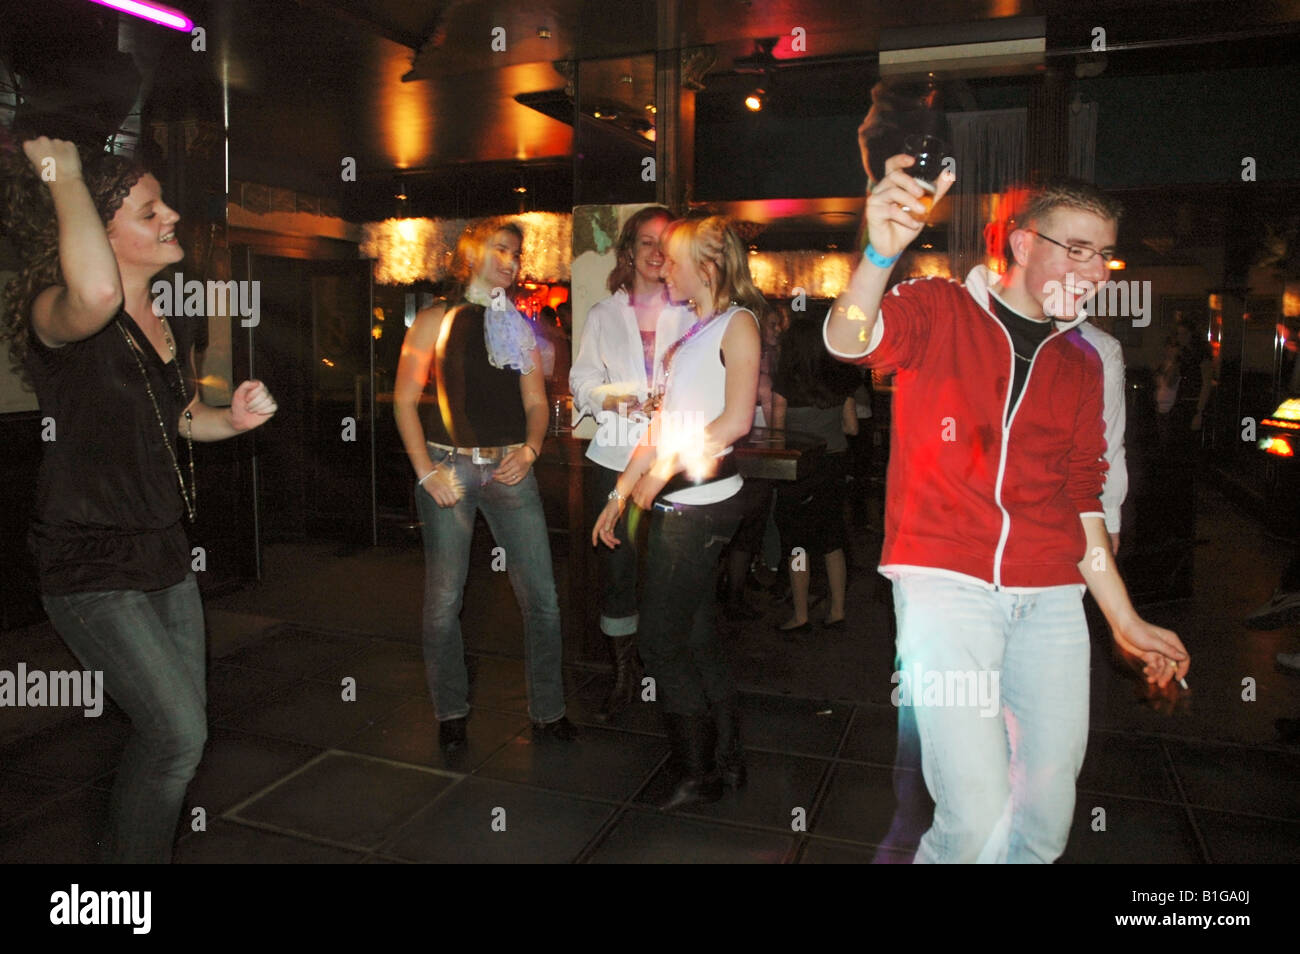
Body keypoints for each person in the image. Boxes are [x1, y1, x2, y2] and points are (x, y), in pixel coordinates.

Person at [824, 162, 1189, 863]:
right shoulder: (940, 307)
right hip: (943, 582)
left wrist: (1124, 618)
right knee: (978, 815)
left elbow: (1085, 498)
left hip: (1051, 594)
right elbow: (851, 340)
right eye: (1075, 248)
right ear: (1023, 244)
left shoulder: (1083, 361)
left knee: (1046, 816)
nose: (1094, 268)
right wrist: (877, 255)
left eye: (1103, 254)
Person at [0, 136, 278, 863]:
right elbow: (94, 291)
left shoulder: (161, 321)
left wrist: (230, 418)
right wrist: (59, 172)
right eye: (149, 209)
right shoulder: (60, 314)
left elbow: (177, 416)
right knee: (177, 735)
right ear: (99, 231)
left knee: (178, 741)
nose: (172, 215)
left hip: (162, 553)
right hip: (90, 565)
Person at [592, 215, 762, 810]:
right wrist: (620, 491)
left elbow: (736, 420)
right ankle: (728, 758)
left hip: (703, 505)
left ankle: (698, 772)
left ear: (707, 266)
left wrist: (665, 469)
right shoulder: (696, 327)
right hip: (681, 502)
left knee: (661, 642)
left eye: (676, 256)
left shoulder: (737, 324)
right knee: (696, 635)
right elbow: (662, 422)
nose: (666, 265)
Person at [394, 217, 574, 750]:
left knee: (542, 598)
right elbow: (404, 401)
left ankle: (549, 712)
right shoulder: (435, 317)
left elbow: (537, 404)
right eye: (502, 249)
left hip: (510, 468)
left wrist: (532, 448)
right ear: (472, 252)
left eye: (517, 255)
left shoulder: (518, 323)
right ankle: (451, 712)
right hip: (448, 467)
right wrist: (425, 471)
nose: (512, 262)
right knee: (444, 600)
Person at [570, 205, 693, 721]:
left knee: (670, 572)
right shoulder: (603, 314)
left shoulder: (691, 313)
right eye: (646, 242)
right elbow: (580, 384)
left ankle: (669, 668)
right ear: (628, 251)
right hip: (614, 456)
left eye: (665, 242)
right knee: (619, 571)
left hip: (673, 463)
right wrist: (614, 398)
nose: (656, 251)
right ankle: (624, 674)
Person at [770, 316, 860, 633]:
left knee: (797, 543)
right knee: (832, 537)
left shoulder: (785, 381)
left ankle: (800, 613)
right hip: (834, 464)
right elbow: (852, 427)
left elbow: (777, 434)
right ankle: (837, 610)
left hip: (798, 467)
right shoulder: (841, 376)